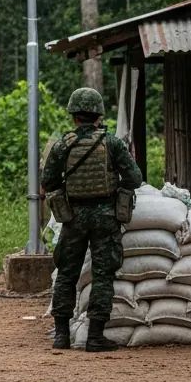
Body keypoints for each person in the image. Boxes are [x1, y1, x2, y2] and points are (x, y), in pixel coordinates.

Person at [41, 87, 143, 353]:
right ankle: (95, 336)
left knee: (66, 274)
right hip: (105, 217)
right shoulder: (112, 143)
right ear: (98, 114)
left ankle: (62, 335)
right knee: (102, 274)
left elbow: (48, 181)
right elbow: (134, 178)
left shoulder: (63, 144)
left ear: (74, 115)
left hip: (72, 217)